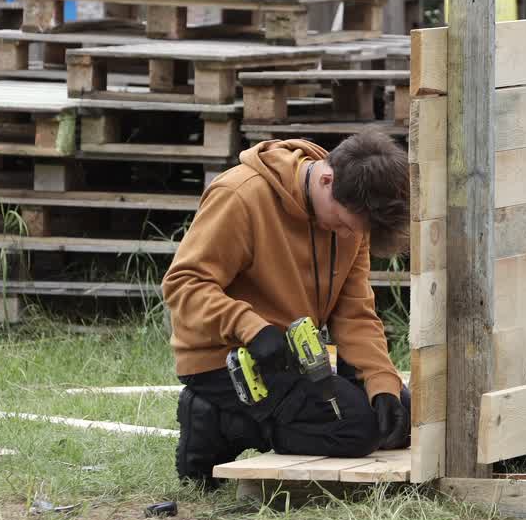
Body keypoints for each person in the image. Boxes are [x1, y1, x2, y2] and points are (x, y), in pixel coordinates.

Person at [163, 130, 411, 488]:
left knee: (401, 417)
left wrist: (382, 383)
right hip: (230, 358)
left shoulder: (350, 219)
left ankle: (265, 415)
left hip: (296, 355)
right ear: (327, 179)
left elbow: (355, 314)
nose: (347, 235)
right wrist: (250, 327)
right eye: (343, 223)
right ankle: (216, 421)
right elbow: (183, 284)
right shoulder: (240, 195)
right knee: (357, 430)